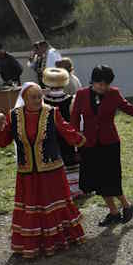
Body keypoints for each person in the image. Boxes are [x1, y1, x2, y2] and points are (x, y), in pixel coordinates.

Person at [0, 83, 86, 258]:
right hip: (27, 173)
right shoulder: (14, 116)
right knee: (32, 206)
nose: (37, 100)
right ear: (24, 99)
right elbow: (4, 141)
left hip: (51, 170)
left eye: (39, 97)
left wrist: (83, 142)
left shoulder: (52, 113)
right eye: (33, 97)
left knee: (53, 204)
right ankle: (34, 244)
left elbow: (67, 131)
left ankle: (60, 239)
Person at [70, 64, 133, 226]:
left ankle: (125, 206)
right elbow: (75, 118)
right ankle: (115, 211)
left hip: (109, 143)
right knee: (98, 181)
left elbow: (132, 110)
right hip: (88, 144)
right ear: (93, 81)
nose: (103, 87)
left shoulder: (114, 94)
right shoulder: (81, 94)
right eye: (100, 84)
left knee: (111, 179)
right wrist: (76, 139)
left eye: (106, 84)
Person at [42, 67, 83, 198]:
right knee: (70, 159)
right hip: (67, 135)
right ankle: (74, 189)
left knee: (53, 160)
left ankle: (56, 190)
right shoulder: (72, 99)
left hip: (50, 136)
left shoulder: (42, 101)